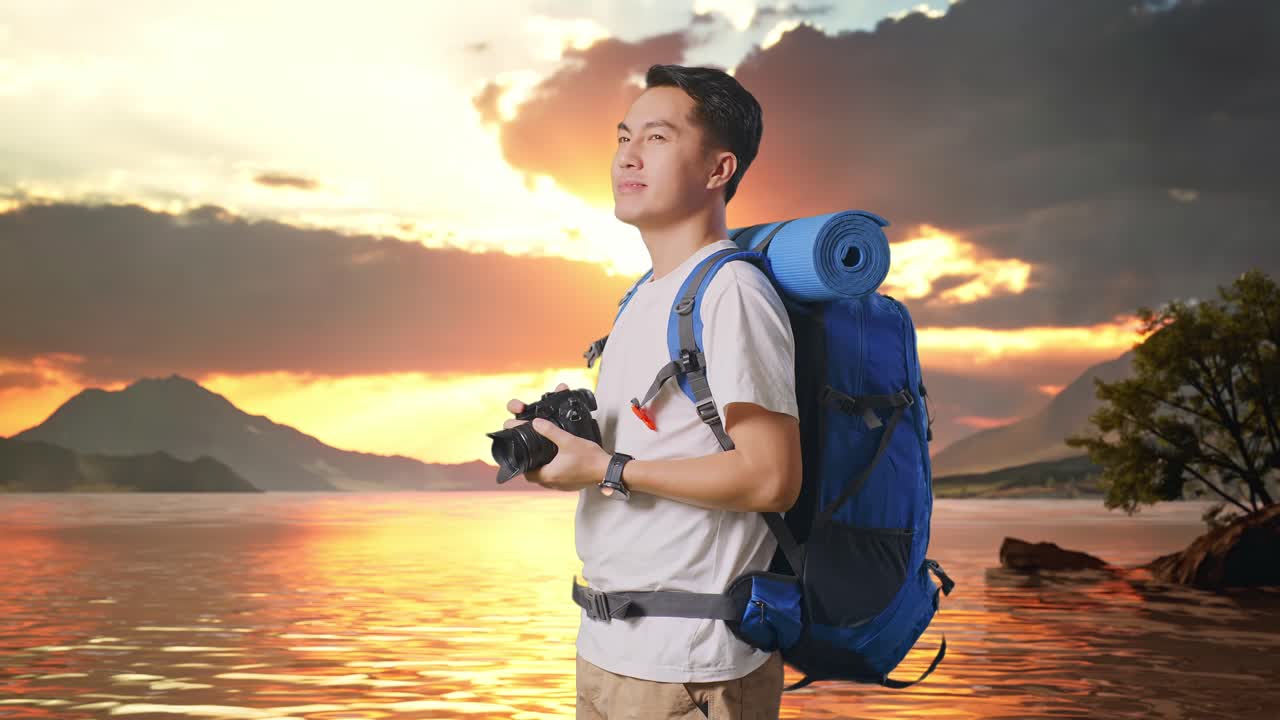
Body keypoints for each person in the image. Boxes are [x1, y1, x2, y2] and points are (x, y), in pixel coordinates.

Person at [502, 63, 800, 720]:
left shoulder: (732, 293)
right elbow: (640, 461)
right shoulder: (642, 297)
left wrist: (609, 468)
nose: (627, 156)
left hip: (688, 667)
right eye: (622, 137)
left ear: (719, 169)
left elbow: (771, 478)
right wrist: (569, 452)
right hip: (607, 652)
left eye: (657, 138)